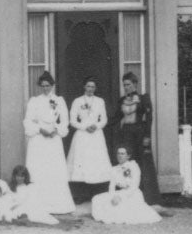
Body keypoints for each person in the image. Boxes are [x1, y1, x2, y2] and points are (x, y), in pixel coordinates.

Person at [22, 71, 76, 214]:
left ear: (52, 85)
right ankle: (38, 204)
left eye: (48, 85)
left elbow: (65, 121)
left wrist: (56, 129)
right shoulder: (34, 101)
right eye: (43, 85)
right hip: (39, 139)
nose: (45, 88)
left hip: (53, 138)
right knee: (39, 168)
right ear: (40, 86)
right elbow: (28, 120)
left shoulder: (59, 100)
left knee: (53, 169)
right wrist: (40, 129)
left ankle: (56, 204)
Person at [110, 72, 160, 204]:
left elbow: (149, 118)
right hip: (126, 133)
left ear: (135, 84)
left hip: (140, 133)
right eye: (124, 85)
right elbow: (115, 118)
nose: (126, 87)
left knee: (143, 163)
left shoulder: (144, 98)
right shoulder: (122, 100)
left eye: (128, 84)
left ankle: (148, 199)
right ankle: (128, 197)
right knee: (127, 163)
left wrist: (147, 136)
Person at [90, 145, 162, 224]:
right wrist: (113, 196)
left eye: (122, 154)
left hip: (132, 193)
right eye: (118, 154)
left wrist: (120, 197)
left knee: (124, 207)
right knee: (97, 198)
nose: (120, 156)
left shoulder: (133, 166)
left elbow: (134, 185)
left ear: (128, 156)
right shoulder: (114, 169)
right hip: (119, 193)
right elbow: (112, 186)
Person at [67, 77, 113, 185]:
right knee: (82, 160)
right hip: (82, 135)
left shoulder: (99, 101)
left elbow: (104, 119)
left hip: (96, 134)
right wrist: (84, 127)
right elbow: (72, 120)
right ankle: (81, 190)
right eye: (88, 86)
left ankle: (96, 188)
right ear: (84, 87)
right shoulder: (77, 101)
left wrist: (96, 126)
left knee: (95, 160)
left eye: (93, 87)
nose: (90, 89)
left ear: (95, 88)